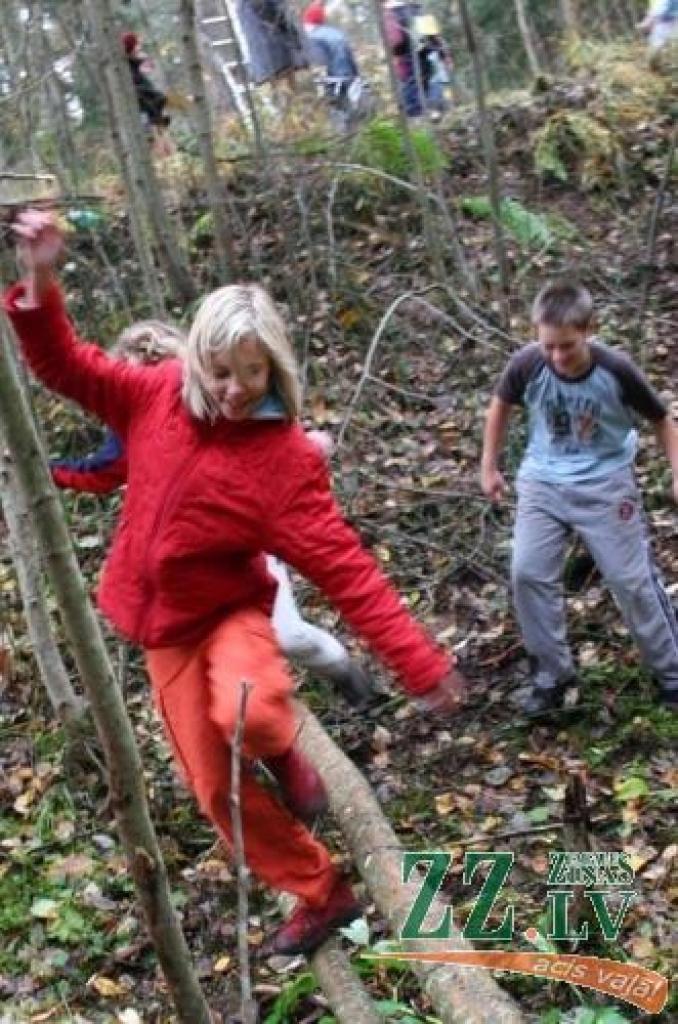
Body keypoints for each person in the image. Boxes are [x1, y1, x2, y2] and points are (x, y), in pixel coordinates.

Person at [7, 209, 466, 957]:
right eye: (221, 372)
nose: (234, 390)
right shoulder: (152, 395)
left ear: (272, 370)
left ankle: (284, 748)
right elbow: (64, 364)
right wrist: (42, 274)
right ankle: (320, 893)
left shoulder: (284, 461)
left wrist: (421, 667)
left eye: (252, 375)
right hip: (163, 633)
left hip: (229, 615)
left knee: (250, 711)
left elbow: (349, 572)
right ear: (194, 361)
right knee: (214, 790)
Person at [51, 320, 374, 707]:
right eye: (135, 369)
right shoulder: (137, 420)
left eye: (153, 364)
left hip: (251, 548)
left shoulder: (206, 393)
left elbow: (262, 437)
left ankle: (345, 672)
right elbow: (101, 470)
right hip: (195, 573)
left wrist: (308, 446)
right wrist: (45, 470)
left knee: (288, 635)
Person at [480, 280, 678, 714]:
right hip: (543, 482)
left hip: (606, 481)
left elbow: (663, 420)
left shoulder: (616, 369)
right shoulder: (527, 363)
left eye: (566, 346)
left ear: (589, 329)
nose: (556, 357)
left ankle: (672, 672)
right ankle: (552, 678)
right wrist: (489, 466)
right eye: (547, 345)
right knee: (527, 573)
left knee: (630, 581)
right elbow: (500, 404)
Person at [302, 1, 361, 128]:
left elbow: (320, 63)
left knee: (339, 115)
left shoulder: (314, 37)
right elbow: (350, 57)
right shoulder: (335, 33)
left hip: (333, 80)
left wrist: (319, 82)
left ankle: (346, 139)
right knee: (351, 110)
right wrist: (356, 76)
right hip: (349, 77)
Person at [121, 32, 171, 132]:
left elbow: (147, 65)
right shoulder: (126, 63)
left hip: (142, 87)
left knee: (159, 97)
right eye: (137, 45)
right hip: (138, 91)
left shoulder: (136, 60)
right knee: (152, 98)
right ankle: (153, 120)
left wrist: (143, 59)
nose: (139, 48)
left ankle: (156, 119)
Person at [638, 0, 678, 68]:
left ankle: (653, 64)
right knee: (668, 43)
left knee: (657, 44)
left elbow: (658, 10)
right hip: (670, 19)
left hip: (665, 21)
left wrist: (647, 22)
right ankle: (664, 63)